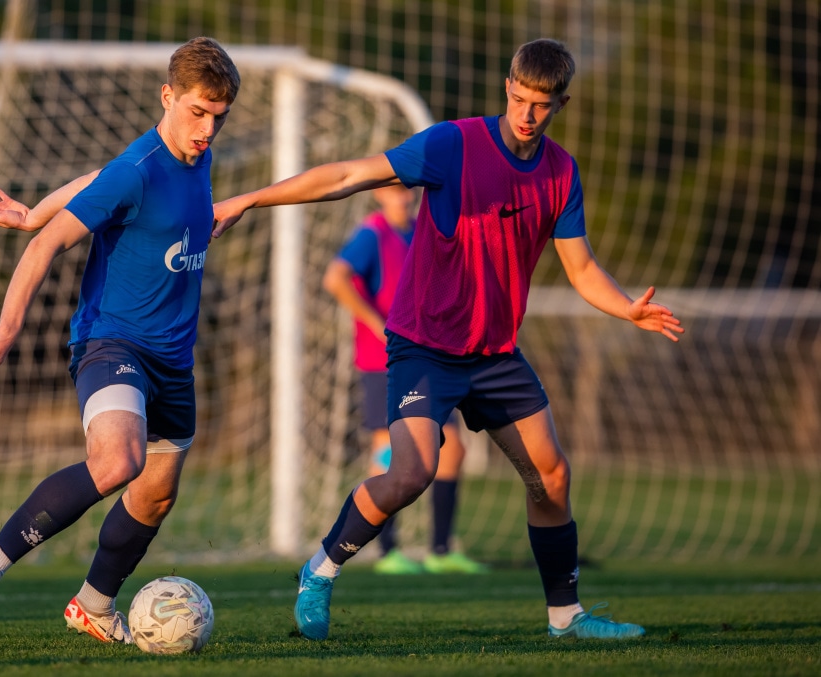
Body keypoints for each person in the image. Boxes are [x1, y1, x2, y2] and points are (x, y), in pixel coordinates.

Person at [212, 38, 683, 641]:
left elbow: (583, 269)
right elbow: (351, 174)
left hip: (494, 355)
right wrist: (252, 198)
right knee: (412, 472)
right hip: (424, 347)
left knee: (553, 475)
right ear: (506, 87)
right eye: (518, 99)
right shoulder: (451, 144)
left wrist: (627, 309)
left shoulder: (561, 172)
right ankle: (320, 569)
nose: (526, 114)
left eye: (541, 105)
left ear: (561, 103)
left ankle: (566, 618)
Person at [0, 37, 240, 644]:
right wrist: (7, 326)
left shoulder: (195, 157)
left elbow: (90, 179)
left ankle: (94, 606)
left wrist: (31, 210)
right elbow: (46, 245)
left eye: (218, 117)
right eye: (197, 113)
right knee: (118, 462)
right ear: (168, 96)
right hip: (113, 345)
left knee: (155, 496)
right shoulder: (138, 170)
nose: (207, 129)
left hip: (173, 361)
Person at [322, 183, 487, 575]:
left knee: (452, 449)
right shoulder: (371, 233)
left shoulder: (419, 231)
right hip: (383, 361)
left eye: (407, 189)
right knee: (390, 448)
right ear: (380, 194)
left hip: (427, 359)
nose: (403, 196)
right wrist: (377, 324)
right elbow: (335, 279)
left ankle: (441, 551)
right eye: (394, 189)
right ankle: (388, 551)